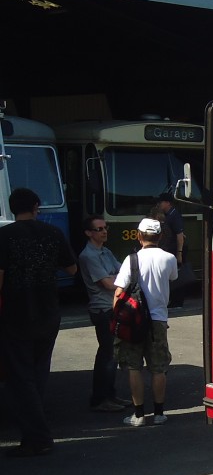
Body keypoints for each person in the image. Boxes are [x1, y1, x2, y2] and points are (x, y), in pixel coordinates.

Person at [0, 187, 78, 457]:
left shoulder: (4, 236)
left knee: (20, 377)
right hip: (48, 311)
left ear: (11, 208)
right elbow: (71, 268)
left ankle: (38, 437)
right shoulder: (52, 234)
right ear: (36, 206)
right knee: (38, 372)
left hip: (16, 314)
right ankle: (33, 434)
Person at [114, 217, 178, 427]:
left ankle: (139, 415)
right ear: (160, 236)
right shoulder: (169, 259)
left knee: (134, 367)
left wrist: (115, 319)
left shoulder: (130, 260)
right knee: (158, 368)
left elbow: (119, 291)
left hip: (133, 320)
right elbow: (172, 278)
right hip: (158, 320)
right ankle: (159, 413)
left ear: (139, 236)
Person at [77, 214, 130, 413]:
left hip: (113, 307)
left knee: (112, 354)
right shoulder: (88, 256)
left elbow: (124, 273)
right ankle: (100, 398)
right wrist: (118, 278)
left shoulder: (105, 251)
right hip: (102, 310)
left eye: (105, 227)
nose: (104, 231)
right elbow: (108, 283)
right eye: (99, 229)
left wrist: (116, 278)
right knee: (107, 355)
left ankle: (110, 395)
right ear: (89, 233)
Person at [155, 192, 187, 307]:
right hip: (170, 250)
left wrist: (179, 253)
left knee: (177, 276)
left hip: (176, 250)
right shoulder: (167, 215)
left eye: (161, 202)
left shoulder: (174, 215)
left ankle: (178, 301)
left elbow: (180, 235)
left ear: (168, 203)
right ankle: (173, 300)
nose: (159, 204)